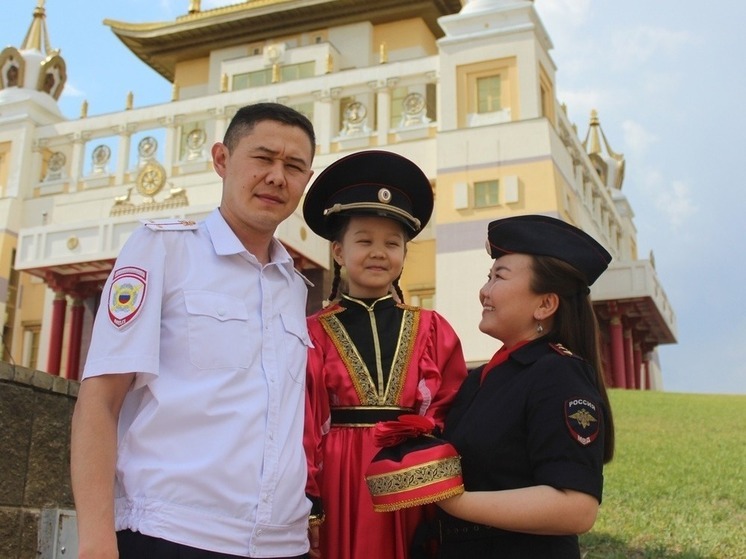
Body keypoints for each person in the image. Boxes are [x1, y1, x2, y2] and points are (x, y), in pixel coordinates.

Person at [70, 102, 317, 559]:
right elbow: (100, 400)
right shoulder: (162, 248)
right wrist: (96, 541)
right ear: (222, 159)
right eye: (263, 158)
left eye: (294, 166)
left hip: (283, 544)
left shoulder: (293, 285)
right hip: (172, 534)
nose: (277, 177)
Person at [301, 150, 468, 559]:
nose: (379, 252)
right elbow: (304, 418)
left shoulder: (433, 327)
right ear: (338, 252)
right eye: (364, 241)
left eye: (392, 243)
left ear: (404, 255)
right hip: (340, 476)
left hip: (413, 473)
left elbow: (451, 406)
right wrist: (309, 499)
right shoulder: (313, 332)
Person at [435, 214, 616, 559]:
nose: (484, 291)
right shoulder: (482, 378)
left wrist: (454, 501)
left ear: (545, 304)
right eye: (488, 277)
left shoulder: (559, 374)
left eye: (499, 277)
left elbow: (576, 508)